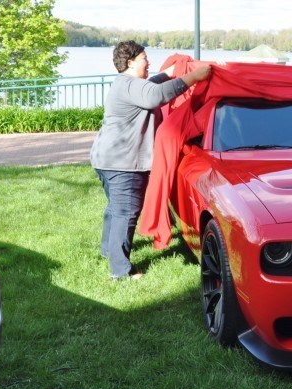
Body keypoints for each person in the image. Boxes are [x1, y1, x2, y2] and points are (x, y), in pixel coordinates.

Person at [90, 41, 211, 280]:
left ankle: (109, 251)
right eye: (145, 58)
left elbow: (151, 86)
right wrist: (195, 76)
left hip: (107, 159)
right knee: (125, 212)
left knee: (115, 209)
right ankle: (120, 271)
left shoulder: (127, 84)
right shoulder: (130, 86)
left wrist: (167, 73)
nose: (149, 62)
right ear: (131, 62)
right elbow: (157, 96)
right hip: (122, 163)